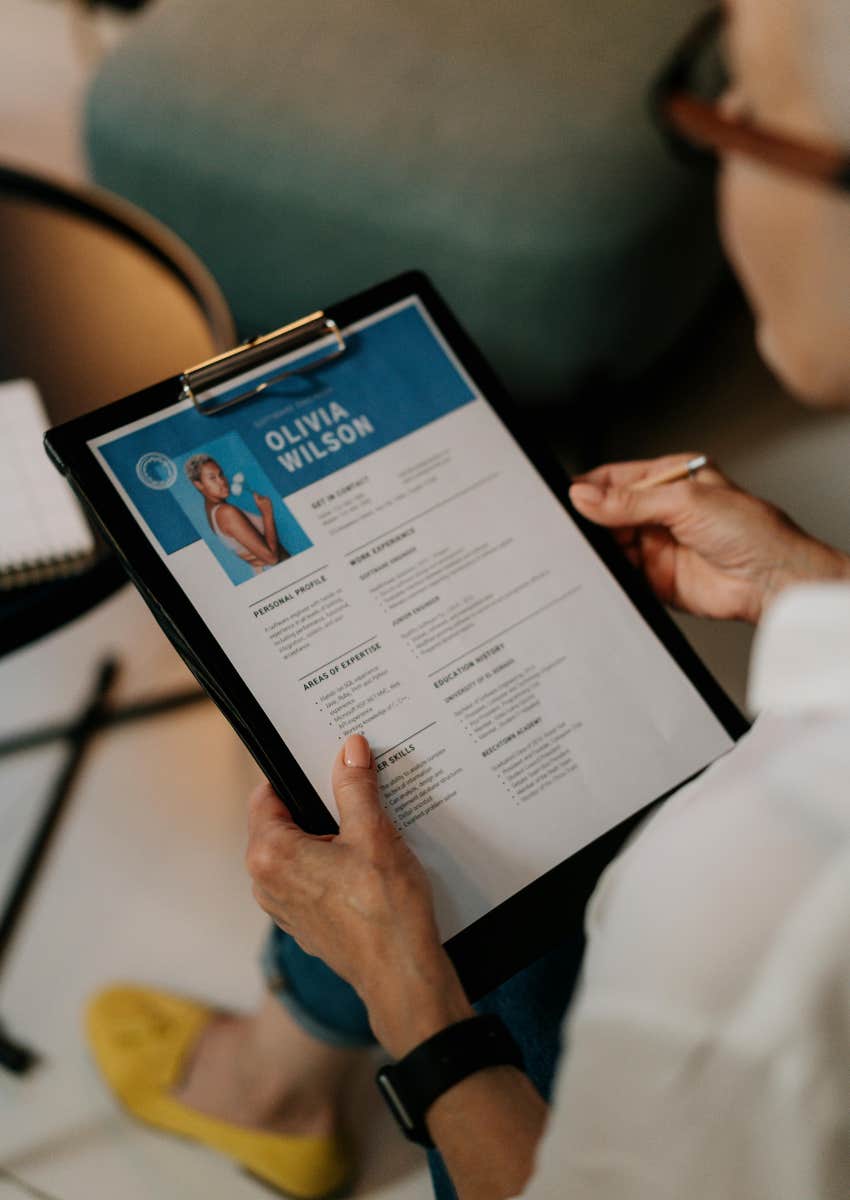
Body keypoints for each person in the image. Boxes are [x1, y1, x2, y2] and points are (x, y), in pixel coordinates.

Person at [87, 1, 850, 1197]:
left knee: (428, 834)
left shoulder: (749, 908)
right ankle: (281, 1063)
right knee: (452, 778)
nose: (719, 158)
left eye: (735, 115)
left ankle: (272, 1075)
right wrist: (816, 587)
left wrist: (412, 999)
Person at [184, 453, 286, 574]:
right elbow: (272, 559)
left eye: (220, 474)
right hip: (277, 571)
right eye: (213, 478)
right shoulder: (226, 512)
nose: (222, 481)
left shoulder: (213, 511)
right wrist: (267, 513)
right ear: (198, 484)